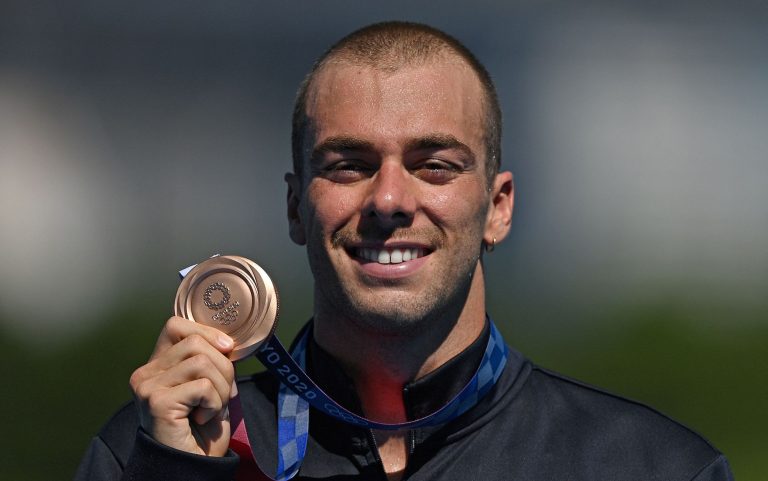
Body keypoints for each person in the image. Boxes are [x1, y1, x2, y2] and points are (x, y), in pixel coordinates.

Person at [76, 21, 733, 481]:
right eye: (349, 164)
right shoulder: (165, 444)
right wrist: (174, 474)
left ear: (497, 208)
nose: (388, 199)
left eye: (434, 165)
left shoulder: (651, 466)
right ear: (295, 206)